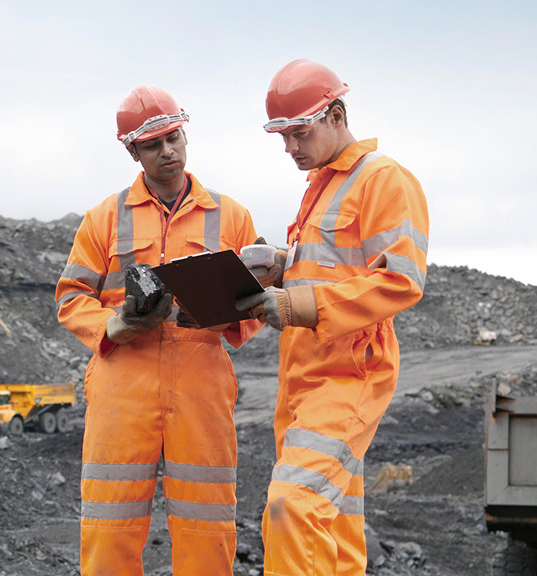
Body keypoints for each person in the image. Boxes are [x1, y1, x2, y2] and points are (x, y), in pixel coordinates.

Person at [56, 86, 264, 575]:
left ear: (184, 134)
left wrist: (221, 312)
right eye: (153, 145)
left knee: (207, 527)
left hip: (201, 385)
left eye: (174, 138)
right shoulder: (104, 219)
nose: (168, 151)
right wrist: (120, 323)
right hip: (122, 386)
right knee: (110, 528)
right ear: (133, 151)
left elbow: (257, 304)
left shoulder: (230, 217)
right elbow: (69, 299)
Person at [236, 59, 429, 575]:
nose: (291, 148)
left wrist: (298, 303)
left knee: (291, 505)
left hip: (350, 373)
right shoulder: (320, 187)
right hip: (301, 378)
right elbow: (333, 267)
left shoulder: (384, 180)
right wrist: (282, 267)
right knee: (333, 527)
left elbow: (402, 281)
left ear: (336, 114)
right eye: (283, 137)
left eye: (300, 133)